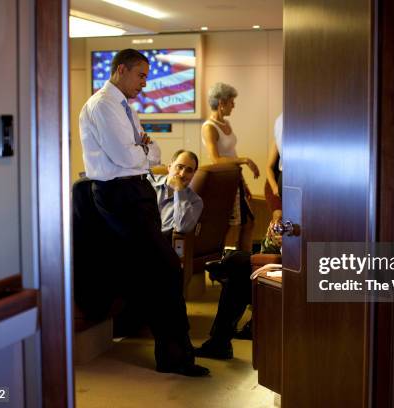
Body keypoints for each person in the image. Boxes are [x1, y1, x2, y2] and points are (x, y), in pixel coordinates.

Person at [78, 48, 208, 377]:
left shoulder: (124, 107)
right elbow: (127, 157)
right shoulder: (104, 105)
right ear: (121, 70)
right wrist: (143, 148)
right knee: (164, 268)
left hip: (135, 191)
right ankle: (176, 358)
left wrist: (144, 148)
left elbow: (156, 151)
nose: (145, 84)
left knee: (159, 270)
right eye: (141, 75)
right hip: (119, 193)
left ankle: (176, 354)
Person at [194, 221, 282, 359]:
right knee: (238, 268)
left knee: (237, 268)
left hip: (302, 274)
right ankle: (219, 343)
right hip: (281, 266)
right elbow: (265, 252)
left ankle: (224, 266)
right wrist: (274, 238)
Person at [202, 82, 260, 252]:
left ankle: (242, 262)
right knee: (227, 227)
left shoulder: (226, 124)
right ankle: (220, 263)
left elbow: (231, 154)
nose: (234, 105)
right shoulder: (209, 127)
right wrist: (246, 160)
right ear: (221, 103)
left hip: (235, 178)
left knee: (249, 222)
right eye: (231, 102)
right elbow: (216, 159)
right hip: (222, 181)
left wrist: (243, 182)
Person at [149, 149, 203, 236]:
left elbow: (183, 227)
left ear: (193, 174)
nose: (182, 174)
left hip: (161, 244)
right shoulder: (148, 182)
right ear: (169, 167)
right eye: (179, 167)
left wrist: (179, 190)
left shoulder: (195, 201)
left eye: (189, 170)